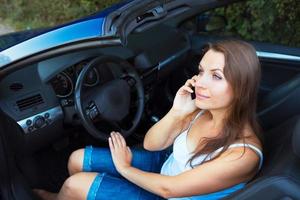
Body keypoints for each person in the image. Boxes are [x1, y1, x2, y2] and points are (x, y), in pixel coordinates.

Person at [34, 39, 263, 200]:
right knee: (76, 159)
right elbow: (151, 145)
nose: (200, 82)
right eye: (201, 71)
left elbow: (168, 189)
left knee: (75, 184)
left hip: (168, 195)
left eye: (216, 76)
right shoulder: (204, 109)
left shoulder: (243, 154)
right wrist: (177, 111)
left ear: (242, 87)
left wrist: (125, 169)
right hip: (165, 165)